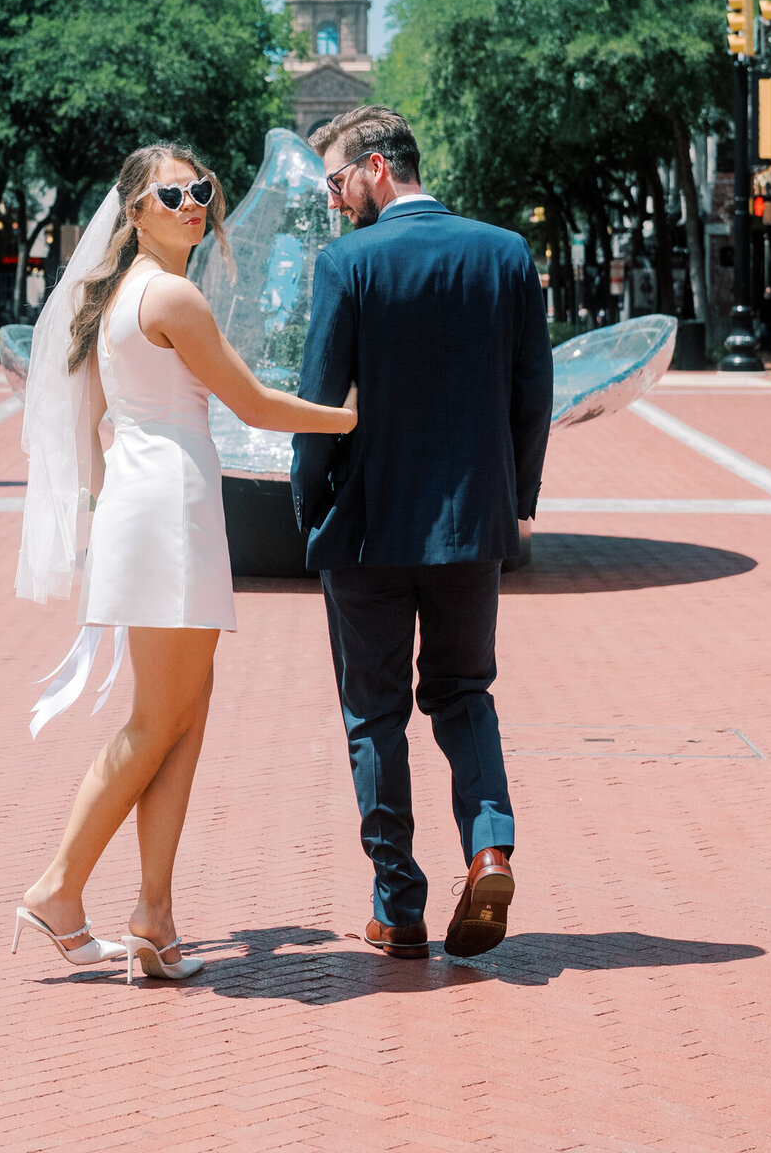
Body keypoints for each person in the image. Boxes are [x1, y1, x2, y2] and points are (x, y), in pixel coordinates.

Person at [13, 143, 356, 983]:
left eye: (202, 189)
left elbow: (99, 428)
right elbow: (254, 403)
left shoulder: (124, 296)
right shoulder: (169, 293)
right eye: (173, 194)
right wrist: (358, 421)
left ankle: (154, 920)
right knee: (155, 723)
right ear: (135, 211)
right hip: (169, 510)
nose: (194, 202)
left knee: (184, 719)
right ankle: (58, 891)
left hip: (157, 503)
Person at [291, 106, 553, 962]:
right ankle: (488, 848)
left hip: (369, 529)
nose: (333, 202)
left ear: (373, 169)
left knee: (375, 714)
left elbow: (320, 408)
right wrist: (516, 499)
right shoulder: (506, 254)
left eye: (336, 182)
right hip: (472, 526)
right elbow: (532, 395)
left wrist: (309, 505)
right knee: (464, 693)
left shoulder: (349, 263)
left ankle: (397, 903)